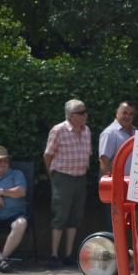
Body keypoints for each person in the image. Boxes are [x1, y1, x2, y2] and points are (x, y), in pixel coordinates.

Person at [45, 99, 91, 265]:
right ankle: (54, 255)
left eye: (85, 111)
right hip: (63, 177)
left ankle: (68, 255)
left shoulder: (87, 131)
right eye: (81, 112)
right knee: (60, 216)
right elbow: (48, 155)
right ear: (71, 115)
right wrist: (54, 177)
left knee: (75, 217)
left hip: (80, 177)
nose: (85, 115)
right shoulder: (59, 130)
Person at [98, 101, 138, 177]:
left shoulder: (136, 132)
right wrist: (110, 184)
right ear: (117, 113)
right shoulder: (109, 133)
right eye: (124, 113)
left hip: (134, 184)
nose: (127, 116)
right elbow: (104, 161)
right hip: (118, 184)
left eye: (131, 114)